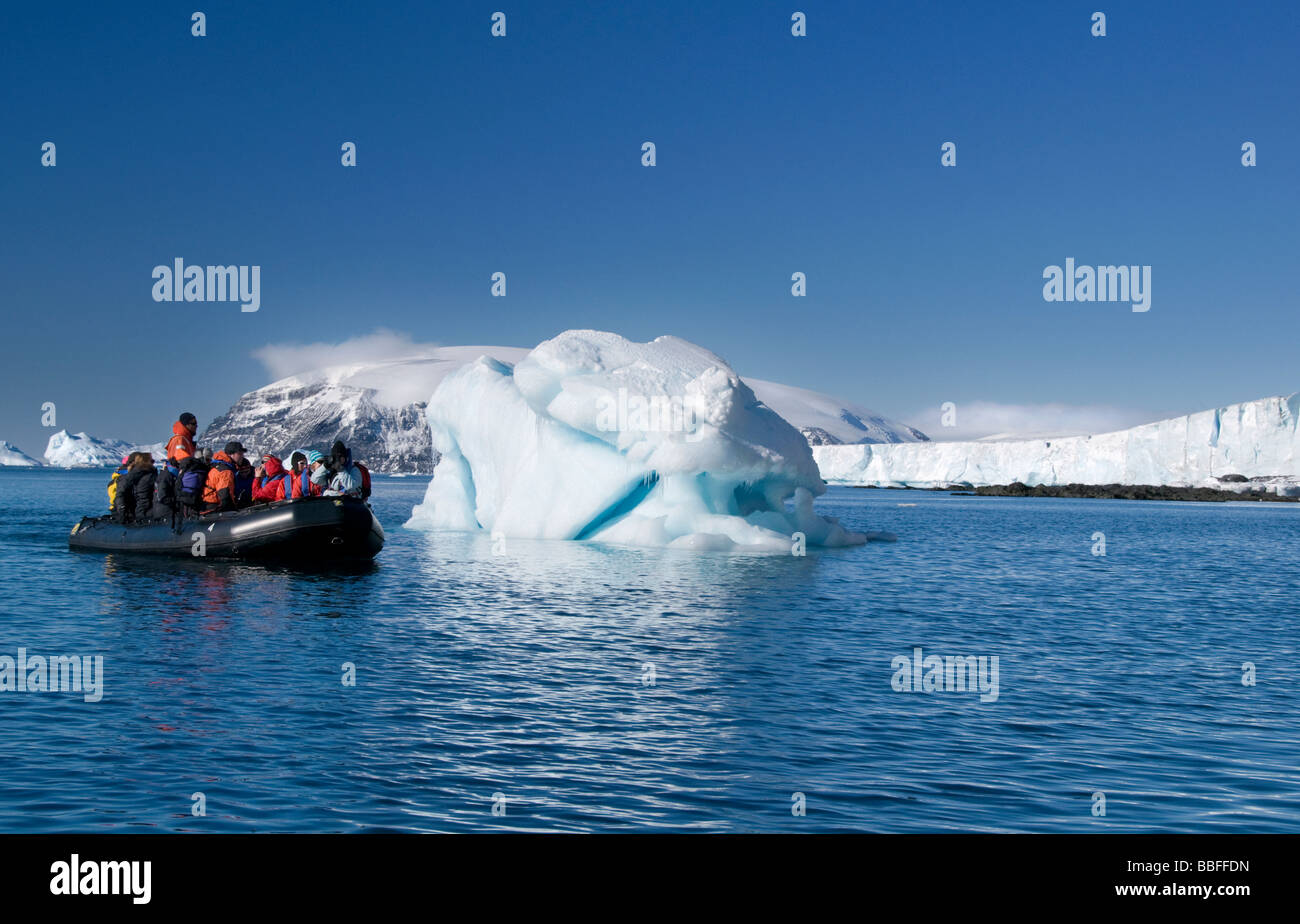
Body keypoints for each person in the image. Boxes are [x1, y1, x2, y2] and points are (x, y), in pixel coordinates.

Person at [113, 452, 157, 523]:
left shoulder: (148, 474)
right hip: (135, 511)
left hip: (141, 509)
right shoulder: (131, 475)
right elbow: (121, 493)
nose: (153, 464)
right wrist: (122, 510)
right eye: (151, 461)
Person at [203, 441, 245, 513]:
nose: (242, 456)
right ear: (231, 454)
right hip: (213, 509)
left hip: (206, 506)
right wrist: (233, 511)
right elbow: (225, 495)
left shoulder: (217, 465)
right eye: (239, 453)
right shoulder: (225, 471)